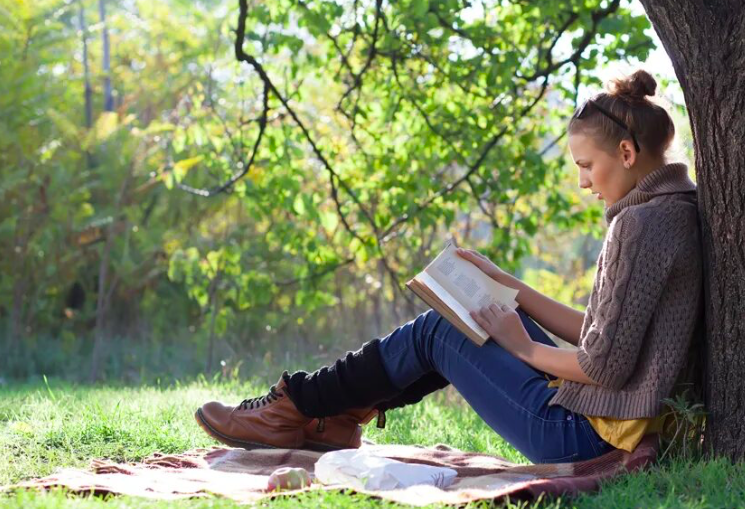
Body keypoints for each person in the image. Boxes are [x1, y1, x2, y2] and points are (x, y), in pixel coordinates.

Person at [195, 69, 703, 463]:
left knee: (441, 331)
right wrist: (511, 289)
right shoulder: (672, 211)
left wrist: (520, 344)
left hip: (585, 435)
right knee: (469, 317)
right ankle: (322, 415)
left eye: (587, 166)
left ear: (627, 151)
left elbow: (602, 366)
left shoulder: (640, 226)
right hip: (613, 425)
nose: (584, 183)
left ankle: (301, 406)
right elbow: (602, 335)